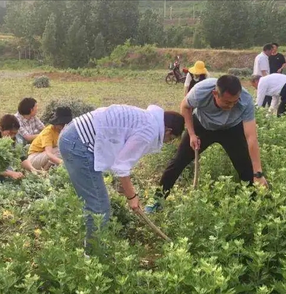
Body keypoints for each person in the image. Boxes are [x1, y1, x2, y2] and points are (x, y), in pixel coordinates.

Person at [58, 104, 185, 252]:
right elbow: (122, 165)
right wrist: (132, 196)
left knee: (97, 203)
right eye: (171, 138)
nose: (168, 142)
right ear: (168, 130)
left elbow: (119, 150)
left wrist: (123, 185)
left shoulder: (148, 120)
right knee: (98, 206)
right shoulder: (149, 131)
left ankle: (94, 250)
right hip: (78, 143)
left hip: (74, 135)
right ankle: (93, 257)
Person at [146, 75, 269, 213]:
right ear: (215, 94)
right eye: (227, 102)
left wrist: (258, 173)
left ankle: (254, 206)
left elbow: (251, 137)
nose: (231, 106)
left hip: (231, 129)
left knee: (246, 167)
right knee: (178, 162)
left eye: (235, 102)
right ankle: (157, 201)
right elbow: (185, 106)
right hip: (202, 126)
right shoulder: (201, 91)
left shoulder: (245, 100)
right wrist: (192, 134)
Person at [0, 114, 38, 181]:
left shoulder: (15, 140)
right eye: (10, 133)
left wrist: (33, 170)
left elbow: (22, 158)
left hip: (2, 169)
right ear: (0, 128)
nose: (12, 136)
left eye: (14, 134)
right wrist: (11, 173)